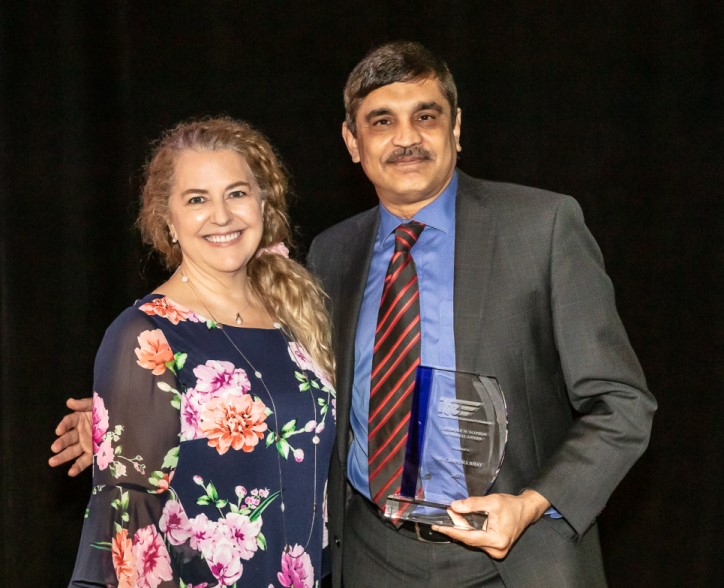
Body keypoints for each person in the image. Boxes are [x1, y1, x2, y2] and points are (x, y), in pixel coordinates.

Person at [52, 42, 656, 587]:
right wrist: (130, 423)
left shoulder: (541, 229)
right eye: (381, 122)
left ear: (457, 128)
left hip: (519, 559)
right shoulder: (334, 256)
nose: (406, 138)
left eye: (426, 115)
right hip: (370, 561)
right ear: (352, 142)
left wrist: (532, 502)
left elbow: (622, 403)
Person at [60, 117, 336, 587]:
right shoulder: (144, 335)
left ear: (262, 203)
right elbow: (131, 528)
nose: (222, 216)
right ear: (168, 219)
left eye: (237, 193)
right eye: (197, 200)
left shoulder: (295, 318)